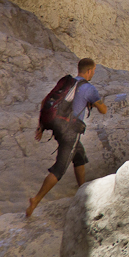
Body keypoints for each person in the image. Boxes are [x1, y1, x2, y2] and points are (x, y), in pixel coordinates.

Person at [26, 58, 106, 218]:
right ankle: (35, 200)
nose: (93, 74)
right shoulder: (89, 88)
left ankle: (82, 189)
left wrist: (41, 126)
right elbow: (103, 110)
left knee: (79, 156)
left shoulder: (67, 82)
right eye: (94, 71)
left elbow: (45, 101)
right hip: (70, 131)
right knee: (59, 168)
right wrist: (96, 103)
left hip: (57, 126)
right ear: (90, 71)